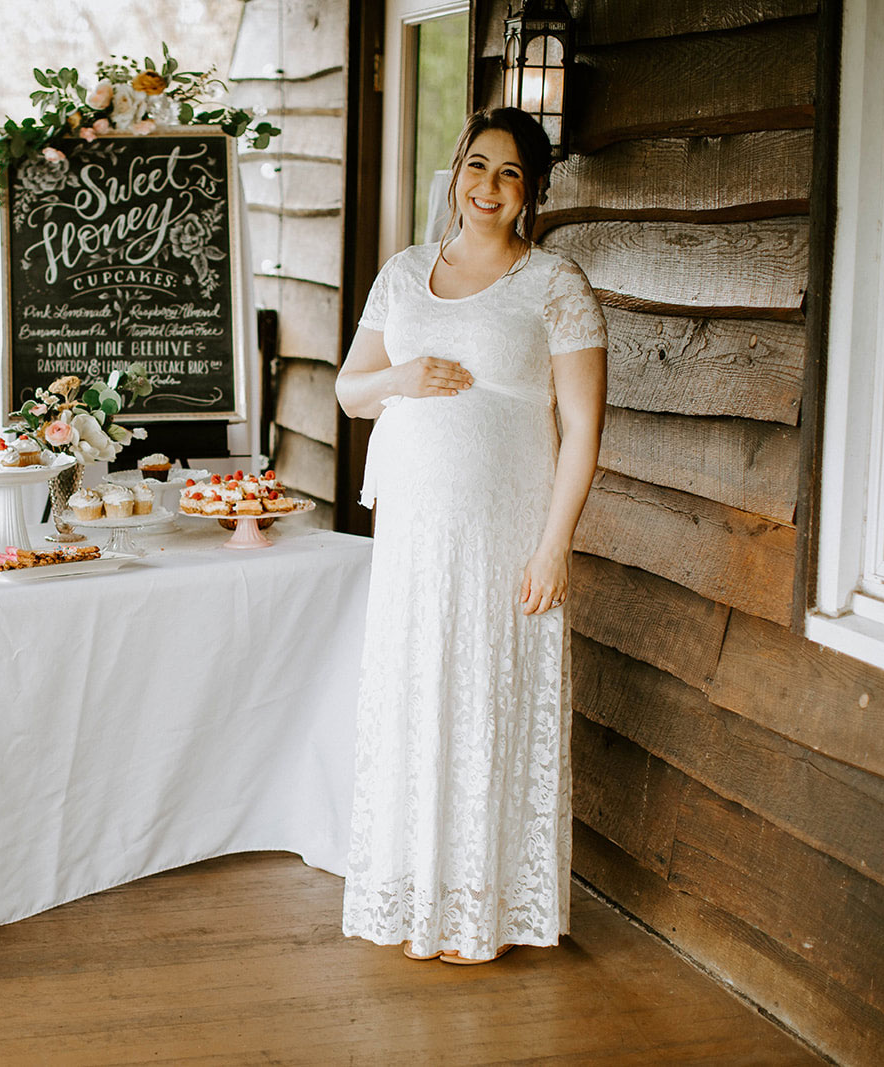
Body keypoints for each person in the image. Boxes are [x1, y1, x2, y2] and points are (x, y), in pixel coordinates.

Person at [335, 107, 607, 964]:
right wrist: (402, 376)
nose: (488, 187)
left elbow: (584, 430)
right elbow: (350, 392)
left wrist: (554, 544)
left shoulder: (555, 283)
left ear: (532, 191)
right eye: (477, 166)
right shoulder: (404, 272)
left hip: (503, 530)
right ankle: (420, 898)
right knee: (421, 697)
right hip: (414, 531)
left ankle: (478, 910)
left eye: (511, 173)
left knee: (487, 697)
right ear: (456, 172)